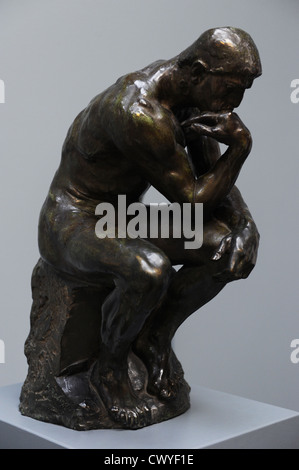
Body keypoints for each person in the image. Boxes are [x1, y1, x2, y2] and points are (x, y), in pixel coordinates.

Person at [38, 27, 262, 426]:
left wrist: (245, 224)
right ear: (197, 71)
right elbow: (192, 200)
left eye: (243, 89)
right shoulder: (137, 111)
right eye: (231, 89)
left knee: (225, 249)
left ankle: (154, 336)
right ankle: (109, 370)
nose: (236, 103)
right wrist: (241, 148)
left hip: (121, 216)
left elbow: (212, 178)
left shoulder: (191, 101)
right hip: (72, 219)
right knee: (150, 269)